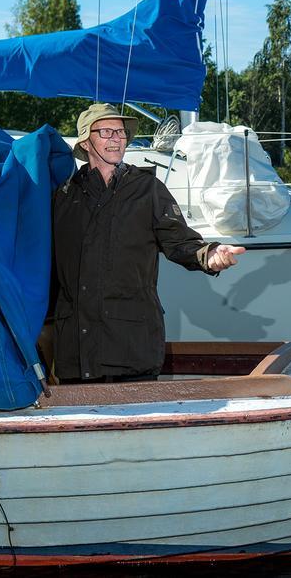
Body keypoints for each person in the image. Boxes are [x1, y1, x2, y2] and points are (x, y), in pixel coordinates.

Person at [50, 103, 245, 383]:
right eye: (106, 131)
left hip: (131, 346)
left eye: (121, 132)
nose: (117, 138)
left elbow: (180, 241)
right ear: (85, 141)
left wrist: (210, 254)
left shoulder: (147, 189)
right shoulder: (64, 196)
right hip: (75, 353)